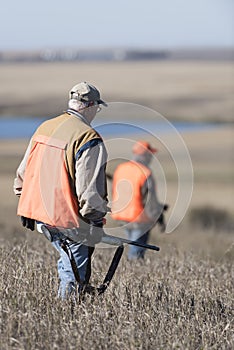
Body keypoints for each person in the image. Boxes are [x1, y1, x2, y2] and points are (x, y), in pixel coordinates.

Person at [13, 82, 109, 299]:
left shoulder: (45, 127)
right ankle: (66, 316)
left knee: (68, 266)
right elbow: (90, 190)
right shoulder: (88, 137)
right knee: (73, 278)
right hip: (68, 220)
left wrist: (26, 205)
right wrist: (94, 222)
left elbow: (23, 173)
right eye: (97, 108)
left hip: (41, 216)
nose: (96, 113)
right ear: (90, 105)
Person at [111, 140, 167, 260]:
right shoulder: (145, 173)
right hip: (139, 218)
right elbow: (150, 200)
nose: (151, 158)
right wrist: (158, 216)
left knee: (131, 245)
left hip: (121, 216)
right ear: (145, 155)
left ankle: (128, 271)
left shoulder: (121, 169)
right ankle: (133, 273)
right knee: (136, 253)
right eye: (150, 155)